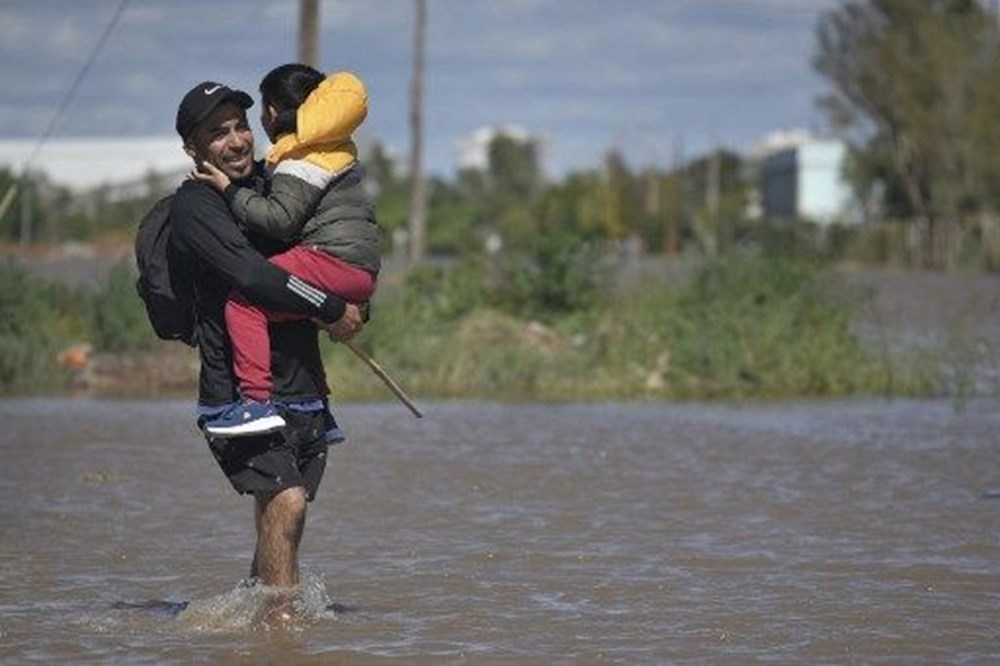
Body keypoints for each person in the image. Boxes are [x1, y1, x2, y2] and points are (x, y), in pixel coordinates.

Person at [168, 79, 366, 592]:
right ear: (192, 149)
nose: (236, 142)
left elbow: (332, 249)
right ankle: (283, 625)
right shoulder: (196, 207)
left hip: (303, 387)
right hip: (240, 397)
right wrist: (331, 308)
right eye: (218, 133)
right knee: (287, 501)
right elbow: (253, 275)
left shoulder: (279, 182)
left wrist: (354, 303)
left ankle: (253, 621)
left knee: (280, 521)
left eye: (241, 127)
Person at [191, 64, 380, 438]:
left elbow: (279, 220)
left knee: (245, 301)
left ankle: (256, 402)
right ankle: (322, 412)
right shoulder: (336, 148)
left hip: (332, 260)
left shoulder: (301, 157)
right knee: (291, 306)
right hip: (357, 269)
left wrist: (228, 190)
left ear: (272, 112)